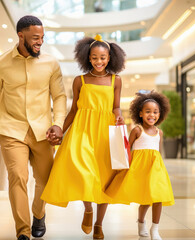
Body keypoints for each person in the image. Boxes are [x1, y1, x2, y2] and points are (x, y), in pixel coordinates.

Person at [0, 15, 67, 240]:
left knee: (45, 179)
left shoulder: (51, 64)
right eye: (35, 38)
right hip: (11, 129)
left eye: (42, 38)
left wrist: (58, 124)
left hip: (43, 130)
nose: (40, 42)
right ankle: (23, 231)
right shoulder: (0, 63)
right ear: (21, 35)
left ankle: (39, 213)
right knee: (17, 177)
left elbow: (59, 96)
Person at [41, 34, 126, 239]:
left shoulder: (116, 80)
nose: (99, 61)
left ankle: (99, 223)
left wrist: (120, 116)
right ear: (87, 57)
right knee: (83, 173)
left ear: (110, 58)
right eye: (95, 57)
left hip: (105, 133)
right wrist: (61, 128)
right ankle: (88, 209)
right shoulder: (79, 80)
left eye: (103, 58)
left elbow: (116, 106)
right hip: (82, 130)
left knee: (105, 178)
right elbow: (73, 110)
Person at [105, 91, 175, 240]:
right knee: (145, 200)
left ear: (160, 114)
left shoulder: (159, 133)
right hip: (139, 169)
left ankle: (155, 229)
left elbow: (158, 153)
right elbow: (127, 149)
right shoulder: (138, 130)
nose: (152, 115)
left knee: (158, 197)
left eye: (155, 112)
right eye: (148, 111)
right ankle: (141, 222)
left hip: (155, 169)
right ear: (140, 114)